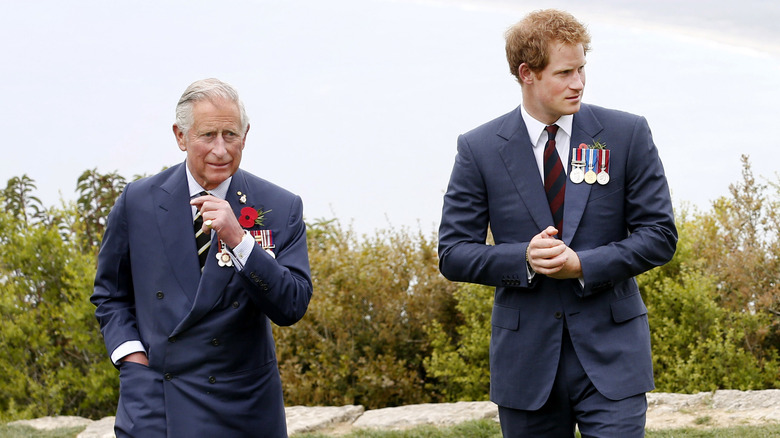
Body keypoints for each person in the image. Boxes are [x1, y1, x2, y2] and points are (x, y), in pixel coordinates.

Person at [438, 9, 677, 437]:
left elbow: (659, 236)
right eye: (565, 72)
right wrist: (524, 259)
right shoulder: (478, 149)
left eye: (582, 69)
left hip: (613, 357)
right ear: (527, 73)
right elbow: (453, 253)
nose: (579, 83)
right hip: (525, 365)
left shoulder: (625, 134)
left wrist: (582, 265)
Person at [91, 78, 312, 437]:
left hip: (242, 405)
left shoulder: (280, 206)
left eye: (231, 135)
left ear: (246, 134)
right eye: (208, 135)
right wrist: (131, 358)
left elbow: (292, 305)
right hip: (156, 398)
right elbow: (110, 295)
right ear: (181, 136)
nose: (221, 150)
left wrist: (240, 242)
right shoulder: (138, 201)